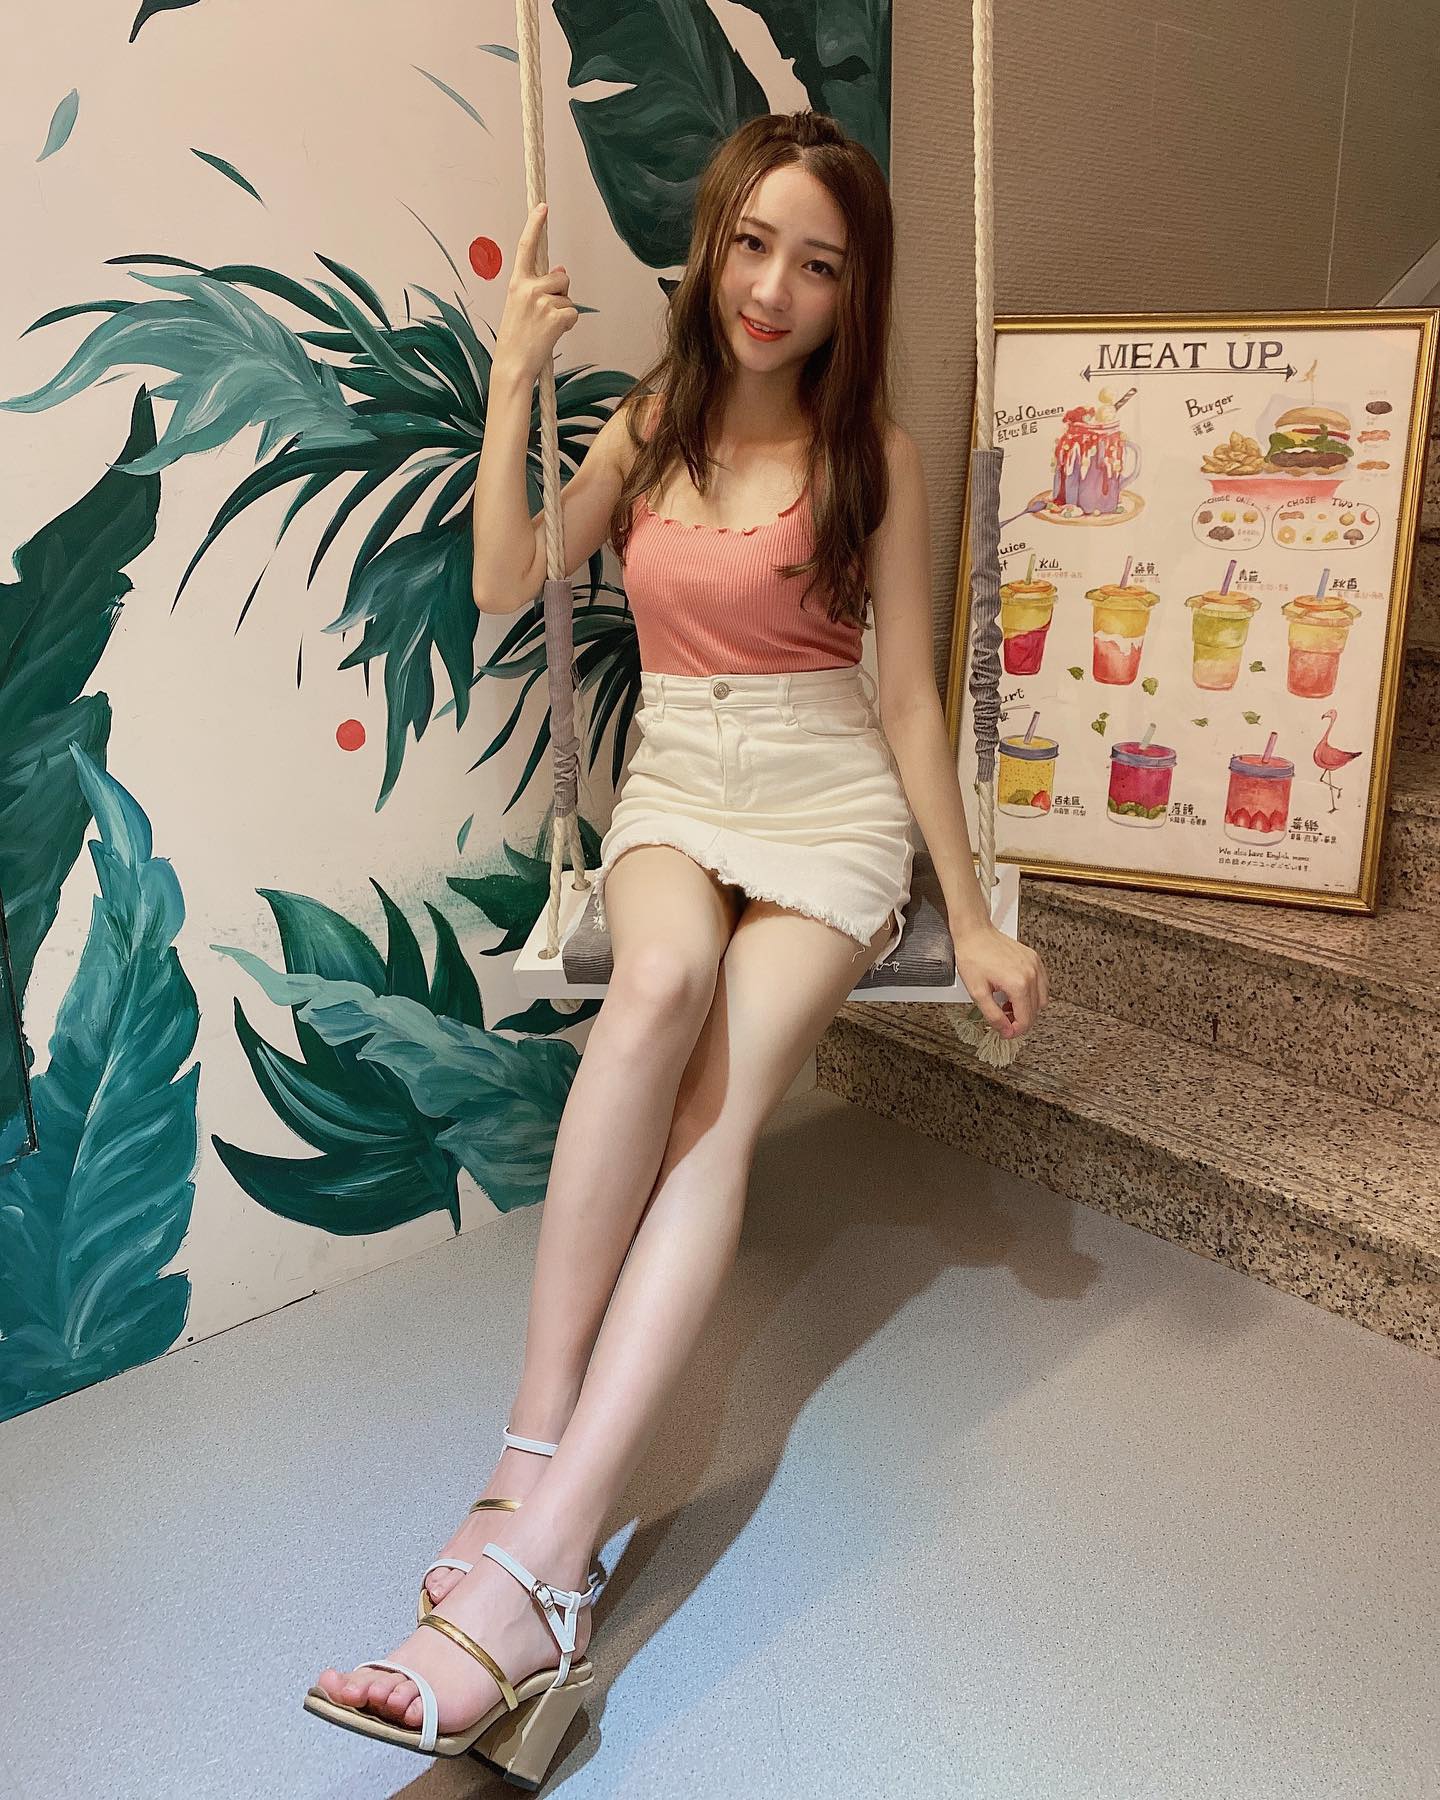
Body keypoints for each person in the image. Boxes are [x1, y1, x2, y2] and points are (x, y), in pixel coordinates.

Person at [307, 110, 1049, 1776]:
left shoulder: (874, 461)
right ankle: (529, 1459)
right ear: (713, 245)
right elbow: (509, 578)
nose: (773, 288)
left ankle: (542, 1568)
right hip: (674, 790)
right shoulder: (650, 425)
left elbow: (908, 705)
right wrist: (512, 379)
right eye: (753, 244)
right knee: (650, 982)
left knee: (716, 1114)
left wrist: (969, 913)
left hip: (828, 807)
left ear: (855, 292)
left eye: (818, 264)